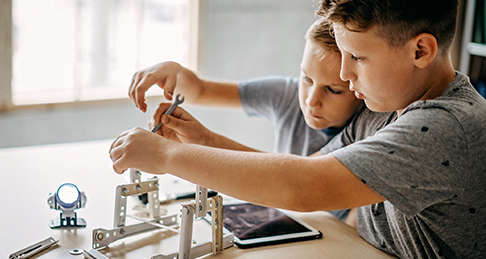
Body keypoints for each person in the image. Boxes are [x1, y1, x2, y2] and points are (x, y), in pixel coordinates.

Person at [109, 0, 486, 259]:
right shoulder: (385, 111)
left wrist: (165, 156)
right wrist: (204, 141)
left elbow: (304, 187)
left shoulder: (446, 126)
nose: (344, 75)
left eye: (357, 57)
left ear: (421, 50)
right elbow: (305, 169)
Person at [129, 17, 365, 224]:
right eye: (307, 78)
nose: (312, 101)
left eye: (333, 90)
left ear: (360, 89)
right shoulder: (287, 94)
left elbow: (294, 179)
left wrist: (198, 142)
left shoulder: (367, 130)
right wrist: (173, 71)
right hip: (283, 219)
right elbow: (200, 91)